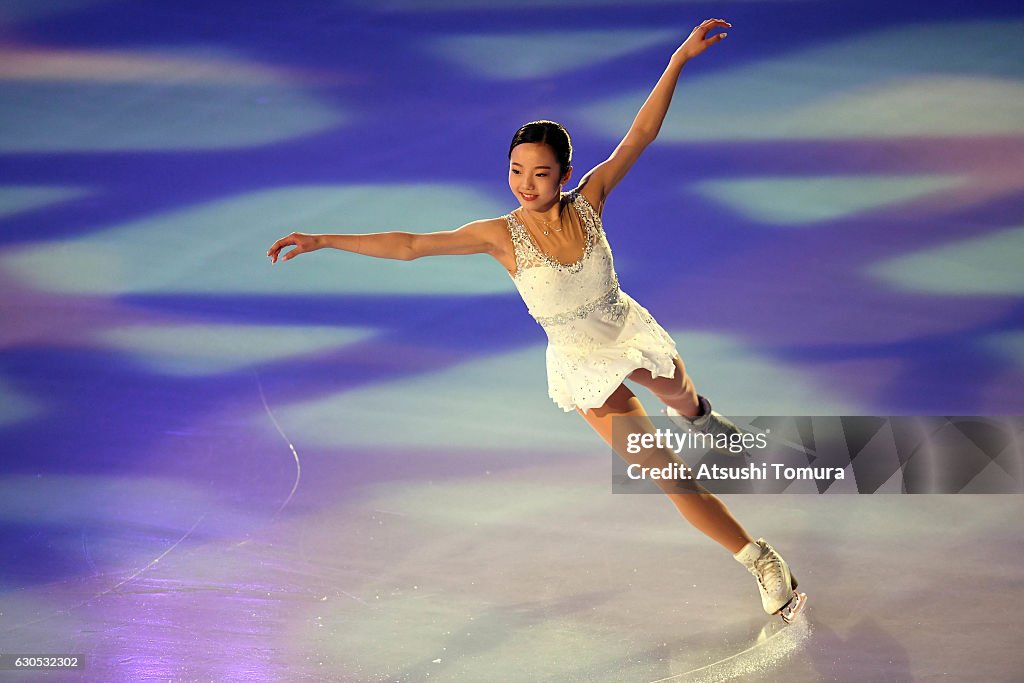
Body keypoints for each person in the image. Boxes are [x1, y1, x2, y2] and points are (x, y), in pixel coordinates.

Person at [267, 18, 806, 623]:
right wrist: (324, 239)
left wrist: (678, 59)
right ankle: (761, 560)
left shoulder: (592, 200)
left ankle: (703, 416)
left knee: (681, 396)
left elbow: (640, 135)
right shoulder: (500, 237)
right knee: (665, 473)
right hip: (581, 365)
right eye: (517, 171)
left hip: (626, 330)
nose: (526, 184)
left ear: (565, 176)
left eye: (541, 173)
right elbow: (411, 244)